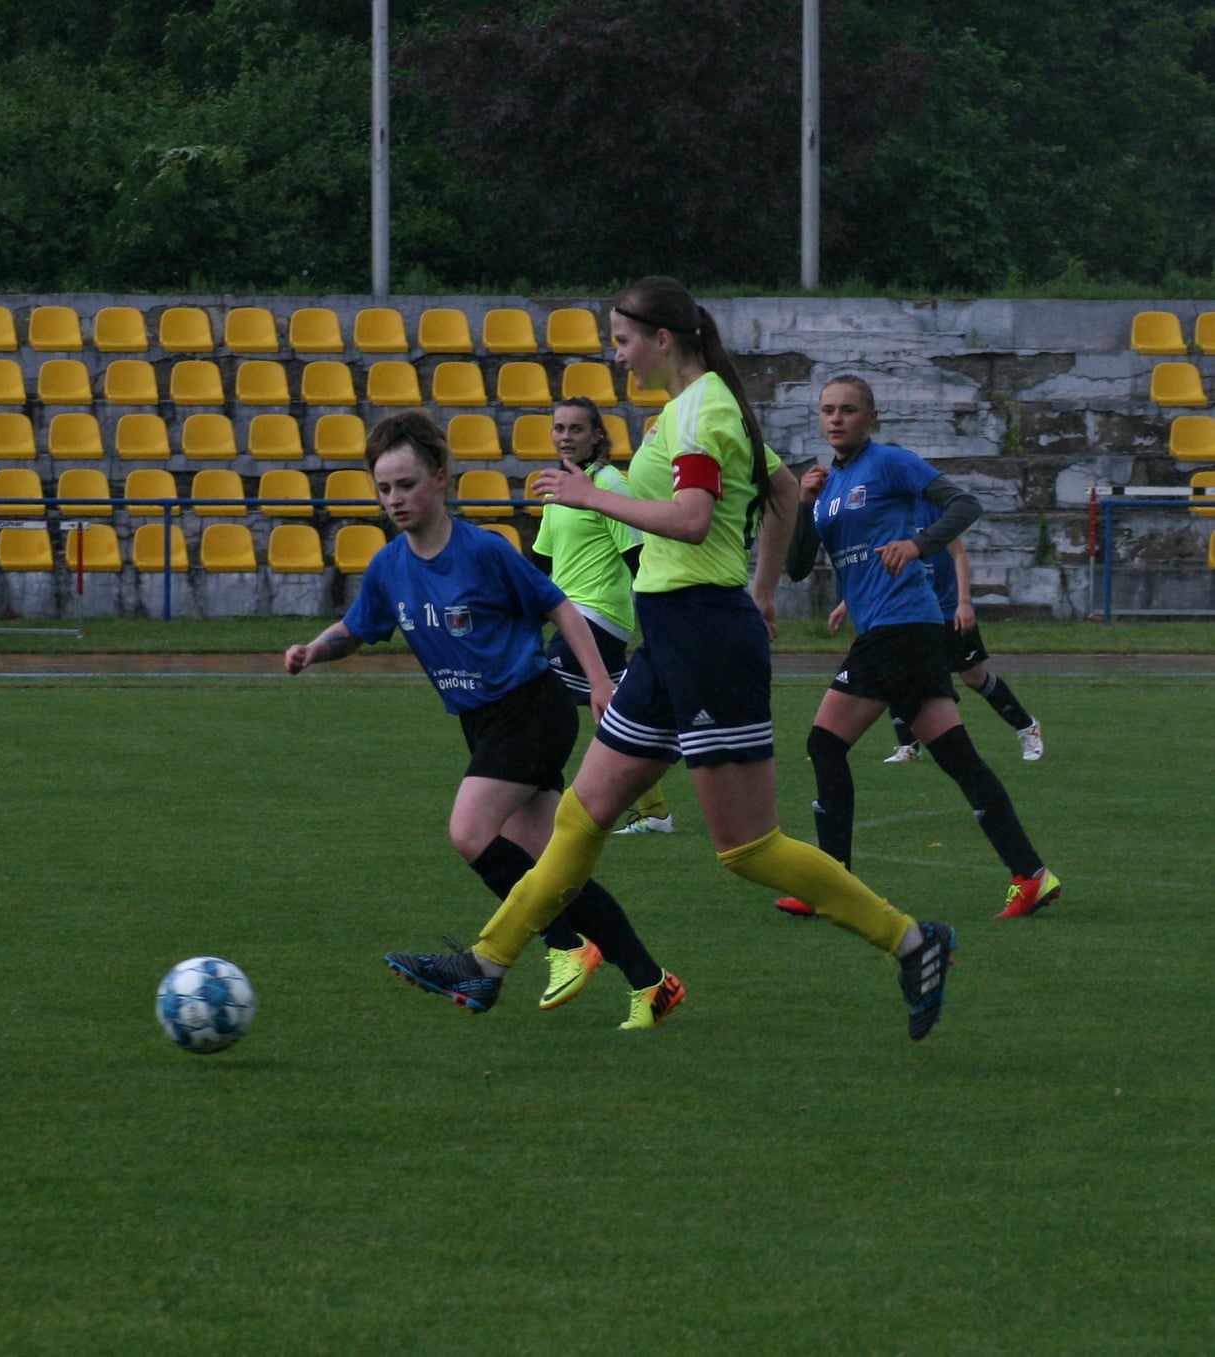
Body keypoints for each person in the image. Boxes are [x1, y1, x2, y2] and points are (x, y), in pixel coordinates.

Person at [385, 277, 959, 1042]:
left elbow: (691, 520)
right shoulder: (693, 408)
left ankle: (913, 941)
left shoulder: (703, 411)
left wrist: (595, 498)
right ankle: (486, 963)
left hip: (705, 640)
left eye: (623, 340)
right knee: (581, 816)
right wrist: (762, 589)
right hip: (674, 635)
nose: (617, 355)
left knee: (748, 848)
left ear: (663, 338)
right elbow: (782, 488)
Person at [292, 410, 684, 1029]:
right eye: (384, 488)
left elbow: (561, 608)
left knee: (469, 831)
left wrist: (600, 682)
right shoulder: (390, 566)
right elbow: (357, 628)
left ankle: (555, 947)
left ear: (440, 479)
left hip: (530, 708)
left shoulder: (482, 551)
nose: (394, 498)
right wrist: (315, 649)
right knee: (555, 872)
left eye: (406, 484)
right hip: (482, 722)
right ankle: (652, 982)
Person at [775, 376, 1060, 921]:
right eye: (828, 410)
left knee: (824, 744)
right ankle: (1031, 875)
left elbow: (964, 504)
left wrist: (918, 543)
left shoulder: (890, 462)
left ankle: (831, 883)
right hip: (900, 630)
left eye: (848, 410)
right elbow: (796, 568)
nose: (836, 419)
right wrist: (805, 503)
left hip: (900, 626)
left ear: (872, 417)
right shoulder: (827, 486)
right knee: (958, 758)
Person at [530, 397, 676, 837]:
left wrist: (658, 623)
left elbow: (637, 556)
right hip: (571, 615)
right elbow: (541, 564)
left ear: (597, 436)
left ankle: (540, 801)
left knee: (537, 702)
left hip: (599, 616)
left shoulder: (610, 483)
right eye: (559, 428)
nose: (565, 437)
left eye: (576, 429)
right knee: (615, 713)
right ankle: (656, 813)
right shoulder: (558, 488)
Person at [871, 502, 1044, 764]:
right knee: (898, 673)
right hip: (912, 609)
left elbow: (959, 555)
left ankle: (1026, 726)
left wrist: (963, 603)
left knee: (973, 678)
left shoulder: (932, 508)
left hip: (947, 608)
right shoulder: (888, 509)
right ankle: (909, 747)